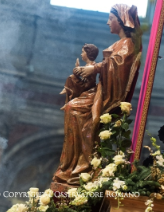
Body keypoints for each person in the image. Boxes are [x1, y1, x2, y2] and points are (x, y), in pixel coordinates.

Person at [52, 4, 142, 184]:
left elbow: (118, 66)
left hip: (108, 94)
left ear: (121, 20)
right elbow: (110, 65)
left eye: (111, 18)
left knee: (75, 110)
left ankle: (83, 165)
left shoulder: (129, 44)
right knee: (71, 107)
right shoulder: (119, 43)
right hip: (102, 88)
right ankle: (72, 165)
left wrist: (95, 68)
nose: (107, 22)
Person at [60, 44, 99, 109]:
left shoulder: (92, 65)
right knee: (71, 77)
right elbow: (80, 74)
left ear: (88, 53)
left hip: (87, 87)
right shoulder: (88, 65)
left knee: (71, 78)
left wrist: (77, 69)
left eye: (83, 52)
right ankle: (67, 93)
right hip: (85, 85)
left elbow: (83, 74)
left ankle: (67, 90)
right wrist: (78, 68)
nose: (81, 54)